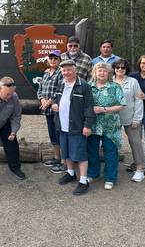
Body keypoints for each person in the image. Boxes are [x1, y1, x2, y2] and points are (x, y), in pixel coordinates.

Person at [51, 60, 96, 196]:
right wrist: (54, 105)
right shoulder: (61, 84)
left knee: (80, 154)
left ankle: (83, 181)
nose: (66, 73)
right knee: (66, 152)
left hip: (77, 126)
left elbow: (89, 107)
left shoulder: (84, 86)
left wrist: (87, 125)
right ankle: (71, 174)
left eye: (69, 70)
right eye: (64, 71)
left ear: (75, 70)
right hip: (62, 126)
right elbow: (56, 100)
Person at [87, 62, 126, 190]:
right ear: (95, 73)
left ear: (109, 73)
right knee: (92, 150)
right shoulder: (88, 87)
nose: (102, 73)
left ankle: (110, 178)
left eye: (104, 71)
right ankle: (93, 173)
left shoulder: (115, 87)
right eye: (99, 71)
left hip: (111, 125)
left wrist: (103, 109)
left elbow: (121, 105)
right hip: (93, 124)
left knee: (110, 151)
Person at [112, 59, 145, 182]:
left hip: (130, 118)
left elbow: (138, 100)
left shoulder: (133, 82)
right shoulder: (110, 81)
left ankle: (140, 168)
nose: (120, 70)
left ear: (126, 69)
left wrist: (137, 118)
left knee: (135, 142)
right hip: (112, 118)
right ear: (114, 68)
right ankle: (112, 168)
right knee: (112, 143)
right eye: (117, 67)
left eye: (123, 68)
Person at [36, 50, 65, 173]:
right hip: (47, 110)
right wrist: (42, 99)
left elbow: (61, 90)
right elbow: (40, 88)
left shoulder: (61, 72)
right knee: (52, 134)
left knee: (60, 134)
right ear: (48, 60)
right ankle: (57, 157)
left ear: (59, 60)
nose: (53, 60)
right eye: (51, 58)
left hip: (57, 109)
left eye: (56, 58)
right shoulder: (46, 72)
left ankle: (64, 162)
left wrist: (50, 101)